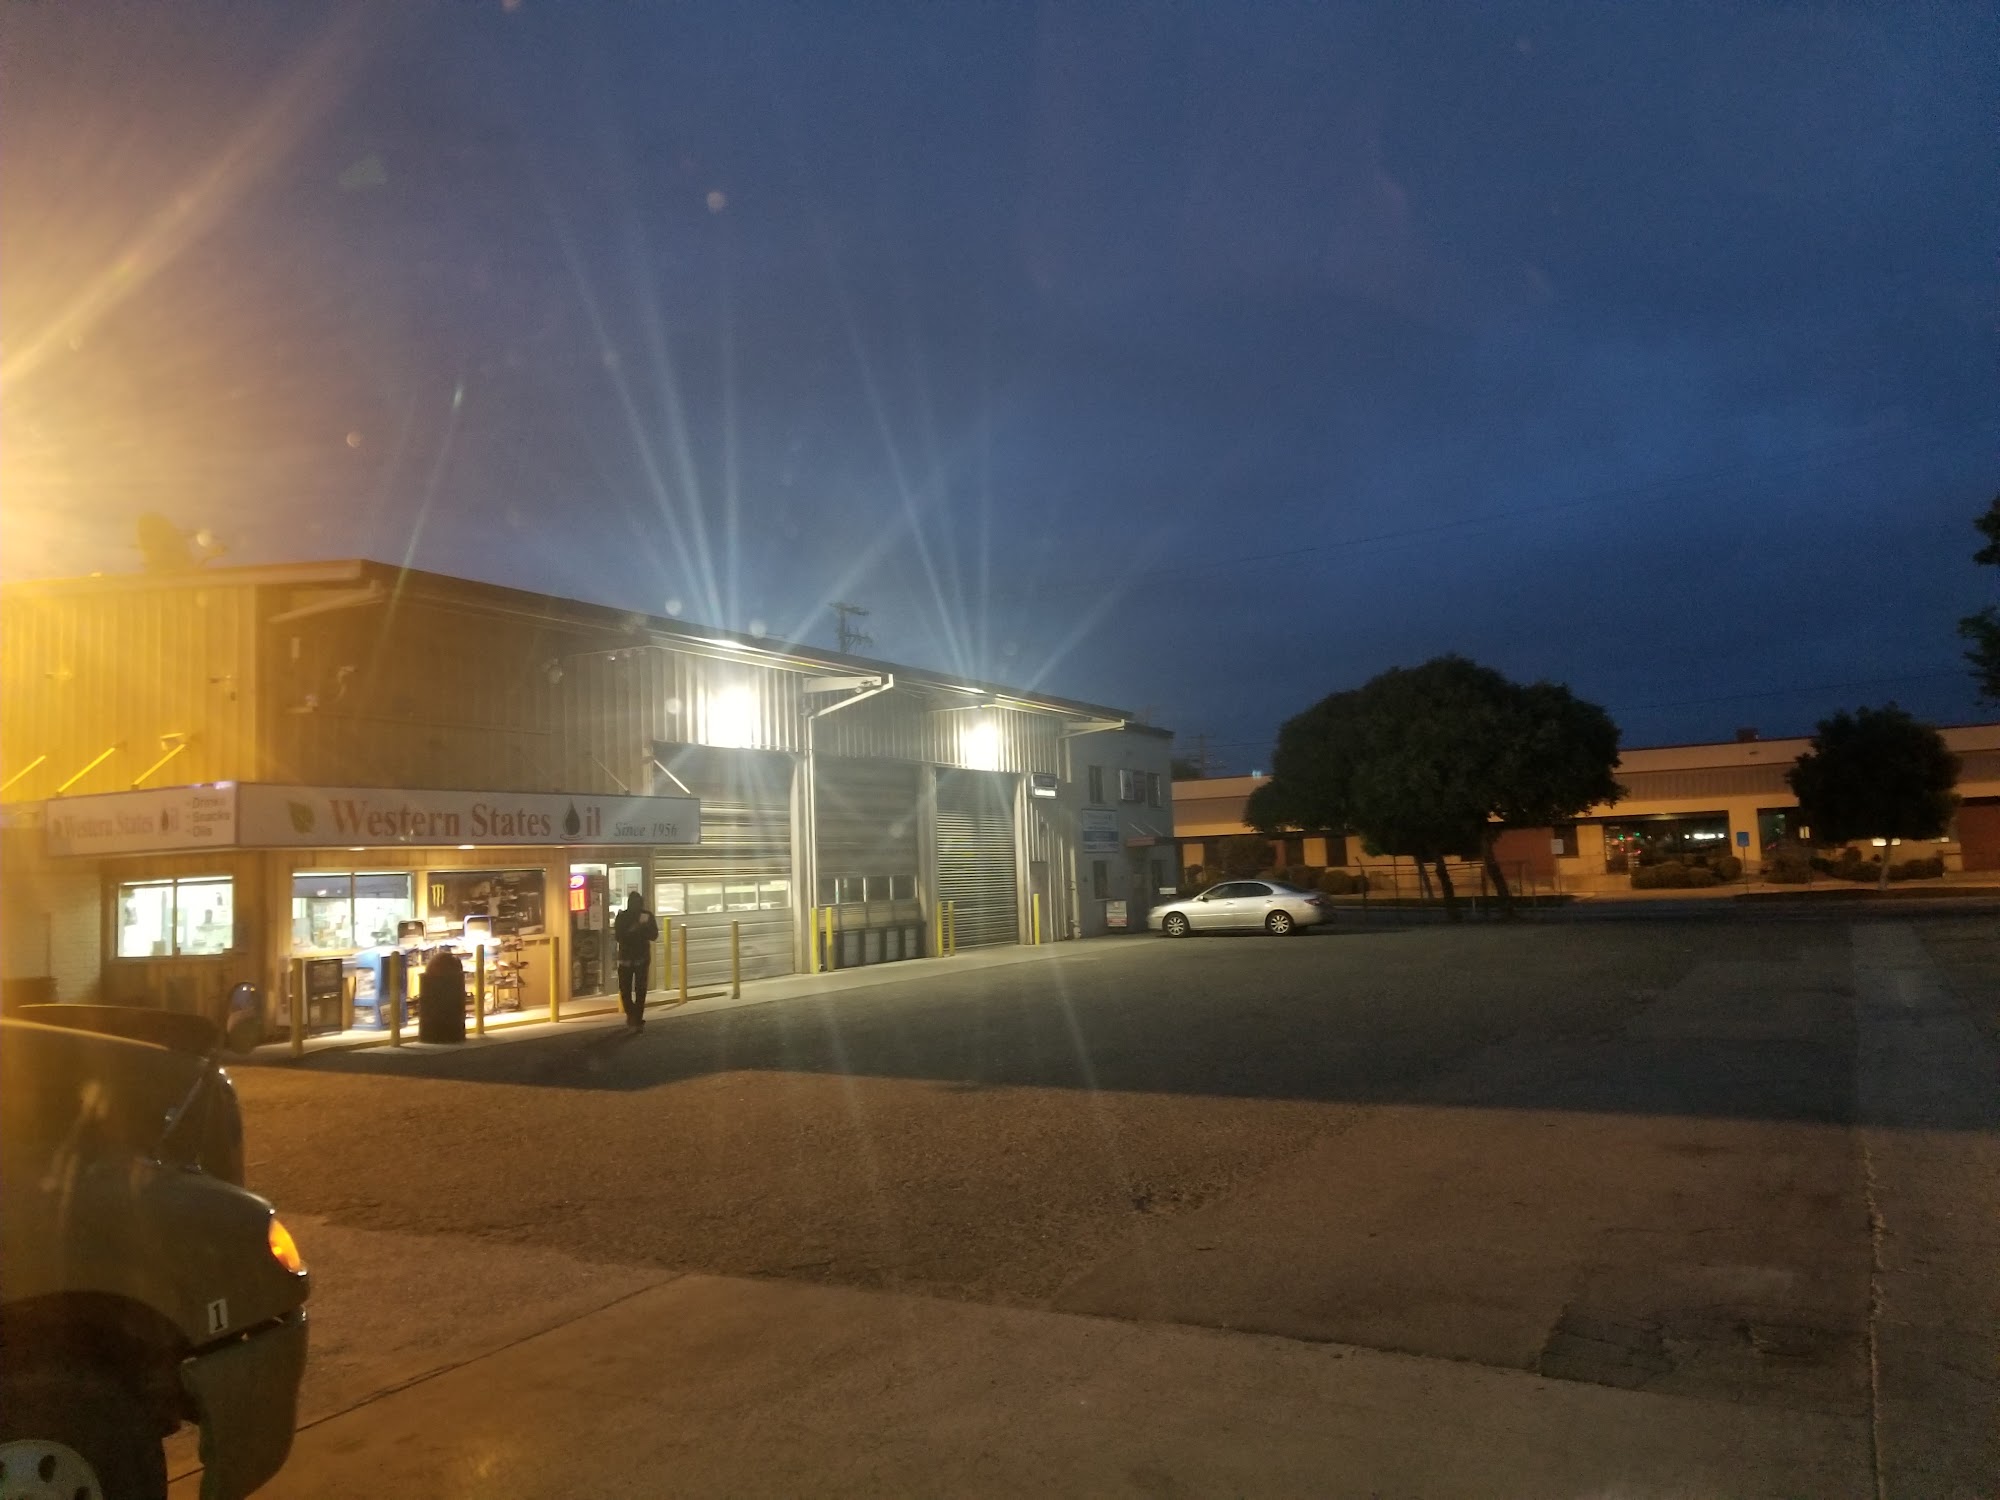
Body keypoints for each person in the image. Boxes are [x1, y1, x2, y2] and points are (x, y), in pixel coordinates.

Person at [612, 890, 659, 1030]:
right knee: (634, 990)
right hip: (633, 958)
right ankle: (634, 1016)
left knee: (631, 990)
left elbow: (654, 935)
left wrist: (644, 927)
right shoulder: (623, 917)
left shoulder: (643, 916)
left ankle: (635, 1017)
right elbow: (620, 937)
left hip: (635, 958)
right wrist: (637, 928)